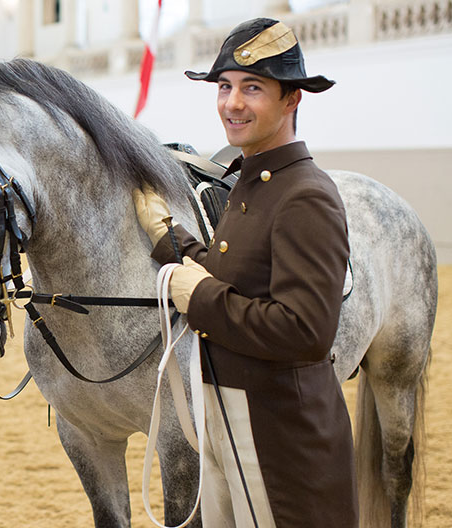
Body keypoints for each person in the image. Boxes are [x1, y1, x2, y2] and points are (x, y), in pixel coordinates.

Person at [133, 18, 356, 527]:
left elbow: (305, 332)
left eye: (252, 88)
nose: (232, 103)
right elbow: (225, 272)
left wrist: (200, 296)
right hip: (229, 418)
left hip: (281, 440)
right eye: (225, 87)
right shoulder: (252, 182)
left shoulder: (306, 195)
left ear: (291, 99)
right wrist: (165, 234)